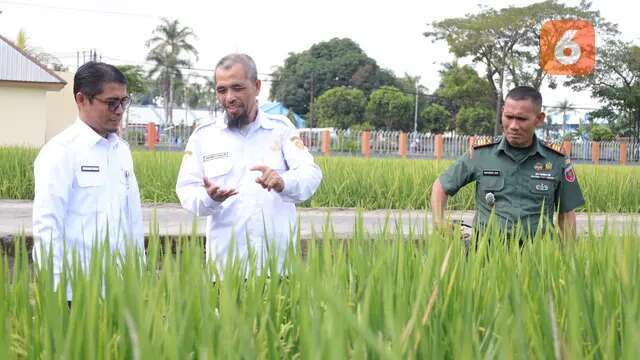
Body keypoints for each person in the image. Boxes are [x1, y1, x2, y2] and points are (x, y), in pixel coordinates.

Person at [176, 54, 322, 271]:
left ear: (256, 86)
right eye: (222, 90)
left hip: (278, 266)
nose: (229, 97)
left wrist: (283, 182)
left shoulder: (280, 128)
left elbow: (311, 174)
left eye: (237, 88)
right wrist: (209, 198)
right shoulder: (204, 136)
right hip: (226, 268)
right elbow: (187, 192)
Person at [33, 62, 144, 299]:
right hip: (76, 290)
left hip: (120, 287)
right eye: (111, 102)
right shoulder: (61, 152)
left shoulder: (121, 151)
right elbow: (48, 225)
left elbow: (133, 220)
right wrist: (56, 291)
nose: (119, 110)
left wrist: (139, 276)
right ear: (82, 99)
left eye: (124, 101)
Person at [430, 86, 585, 241]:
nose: (513, 126)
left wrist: (568, 256)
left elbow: (566, 213)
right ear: (502, 112)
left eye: (522, 119)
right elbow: (441, 186)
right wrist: (439, 221)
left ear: (539, 119)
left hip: (539, 255)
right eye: (508, 117)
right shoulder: (481, 153)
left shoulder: (556, 159)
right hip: (487, 254)